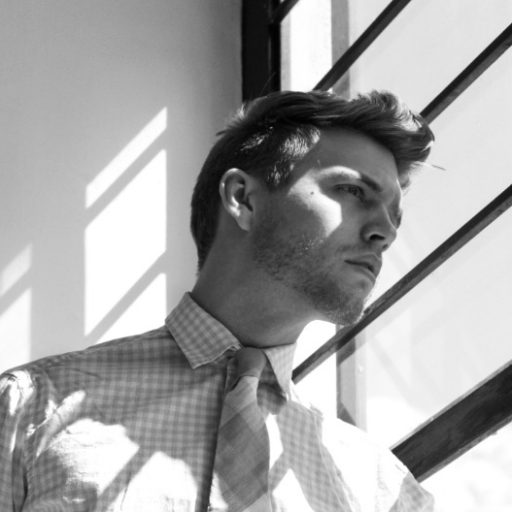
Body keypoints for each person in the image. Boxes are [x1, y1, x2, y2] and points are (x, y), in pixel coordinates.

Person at [0, 90, 435, 511]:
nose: (386, 232)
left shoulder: (382, 489)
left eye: (395, 218)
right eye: (354, 191)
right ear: (242, 198)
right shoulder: (31, 410)